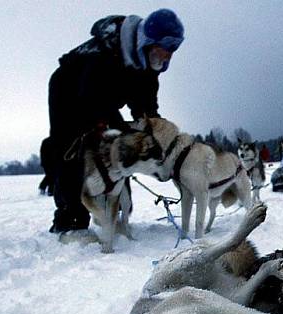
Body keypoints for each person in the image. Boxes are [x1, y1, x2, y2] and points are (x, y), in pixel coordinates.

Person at [41, 9, 184, 233]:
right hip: (69, 91)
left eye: (172, 50)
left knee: (124, 143)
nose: (167, 56)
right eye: (164, 49)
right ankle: (69, 220)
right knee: (71, 147)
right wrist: (120, 129)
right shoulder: (105, 54)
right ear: (147, 41)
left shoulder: (148, 67)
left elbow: (145, 106)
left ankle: (114, 211)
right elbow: (92, 99)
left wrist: (153, 128)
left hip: (101, 98)